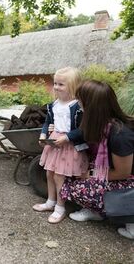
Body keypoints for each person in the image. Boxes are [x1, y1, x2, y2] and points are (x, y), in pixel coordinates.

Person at [60, 80, 134, 239]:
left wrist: (91, 173)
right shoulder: (103, 124)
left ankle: (130, 222)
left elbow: (123, 173)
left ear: (91, 106)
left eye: (80, 100)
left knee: (77, 188)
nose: (78, 104)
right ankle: (98, 211)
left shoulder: (120, 134)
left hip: (127, 180)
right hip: (110, 171)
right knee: (71, 174)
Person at [32, 67, 89, 224]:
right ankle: (50, 201)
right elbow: (48, 122)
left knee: (59, 176)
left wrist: (67, 137)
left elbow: (83, 129)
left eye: (61, 84)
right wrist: (44, 135)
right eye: (55, 83)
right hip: (55, 142)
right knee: (49, 173)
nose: (56, 87)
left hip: (69, 146)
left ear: (73, 86)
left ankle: (60, 207)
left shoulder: (78, 106)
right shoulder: (54, 105)